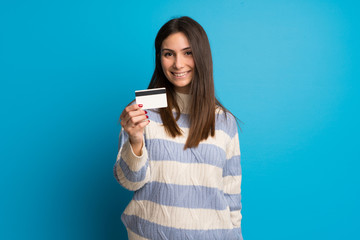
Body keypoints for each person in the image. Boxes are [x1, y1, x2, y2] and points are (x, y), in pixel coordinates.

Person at [113, 16, 242, 240]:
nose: (178, 64)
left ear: (201, 56)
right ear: (159, 58)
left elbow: (231, 196)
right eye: (168, 54)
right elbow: (129, 181)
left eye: (188, 52)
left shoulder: (224, 121)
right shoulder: (142, 112)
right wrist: (135, 141)